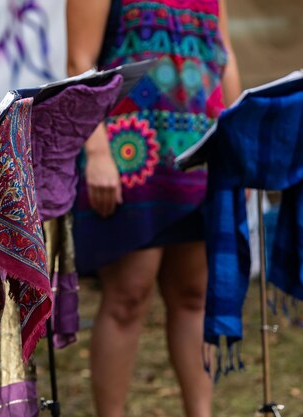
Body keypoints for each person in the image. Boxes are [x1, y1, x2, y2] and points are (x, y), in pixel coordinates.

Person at [66, 1, 241, 416]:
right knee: (128, 294)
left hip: (201, 148)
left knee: (194, 295)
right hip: (131, 151)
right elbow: (79, 59)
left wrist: (236, 146)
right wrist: (97, 151)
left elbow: (224, 55)